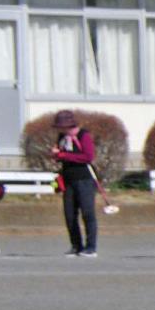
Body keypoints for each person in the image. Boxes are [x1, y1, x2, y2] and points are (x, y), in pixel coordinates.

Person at [51, 110, 99, 258]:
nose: (60, 130)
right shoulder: (62, 137)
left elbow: (87, 156)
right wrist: (56, 155)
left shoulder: (83, 136)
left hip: (84, 178)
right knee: (69, 214)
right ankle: (76, 245)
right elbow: (61, 156)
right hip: (68, 179)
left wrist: (63, 155)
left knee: (87, 212)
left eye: (62, 126)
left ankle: (91, 247)